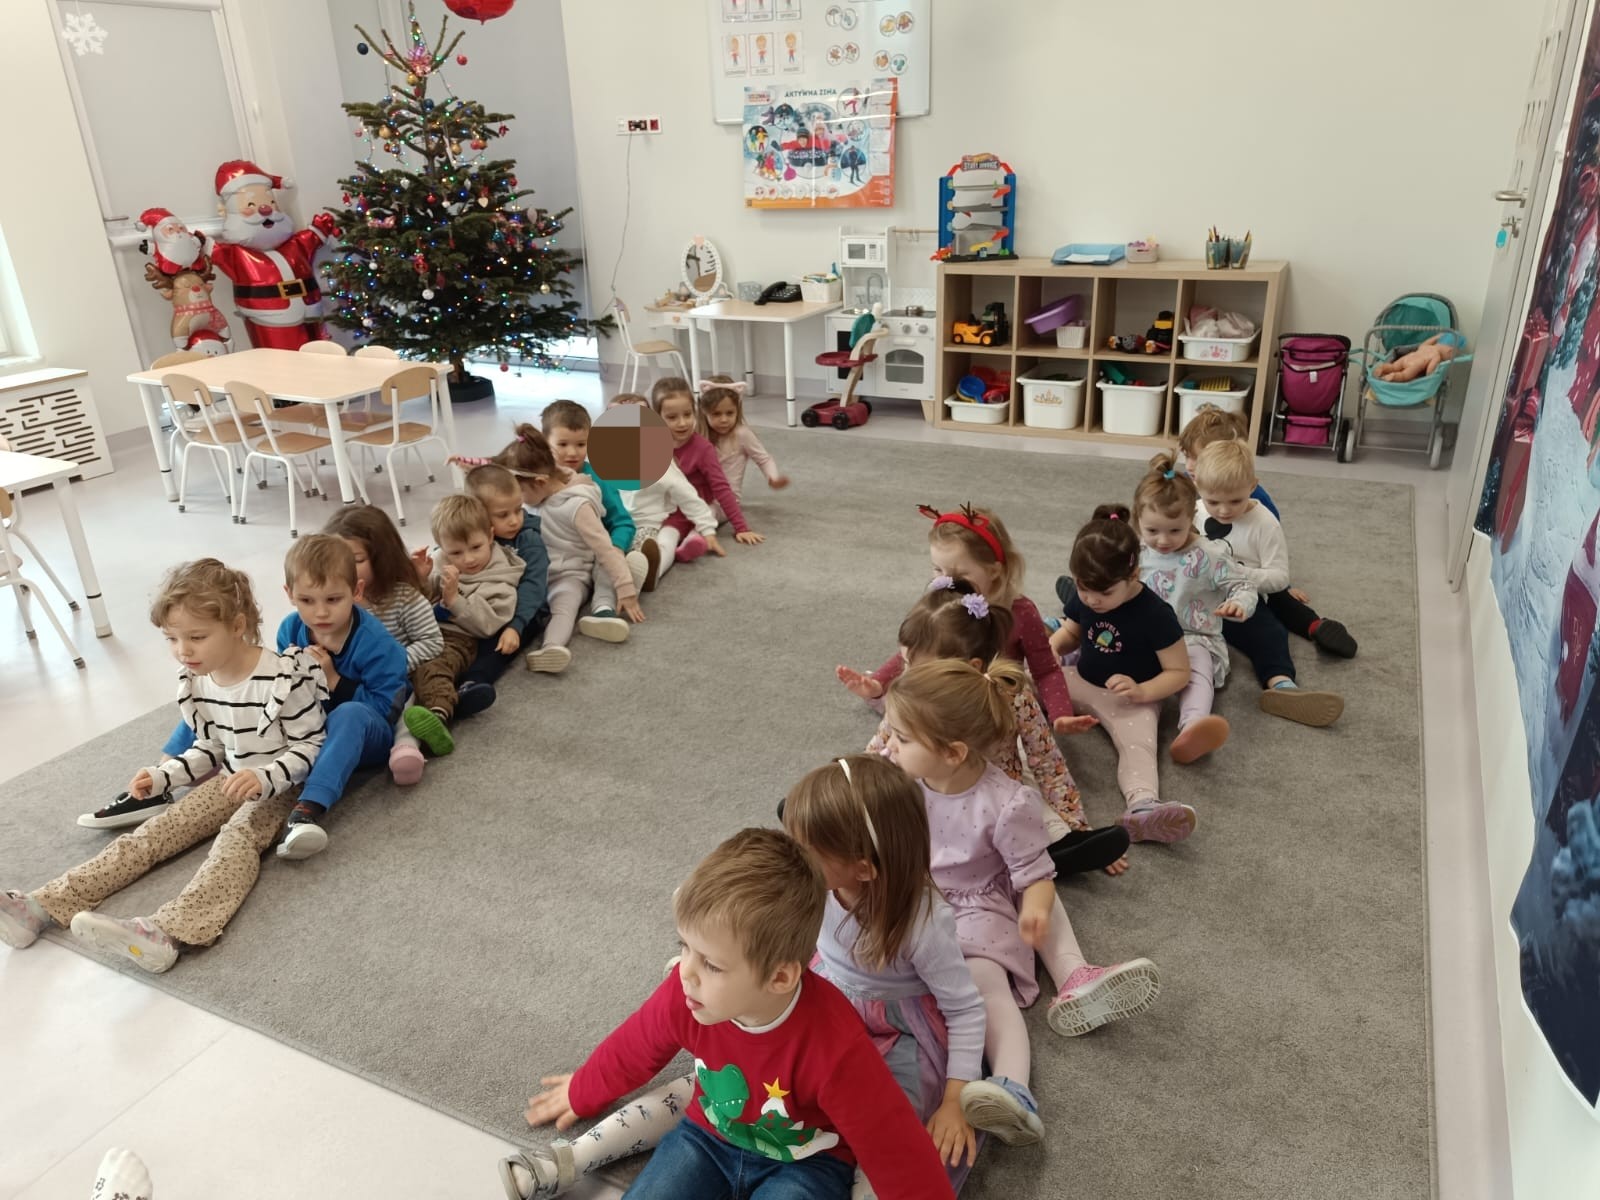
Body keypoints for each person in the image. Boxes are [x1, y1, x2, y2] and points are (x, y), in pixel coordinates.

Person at [502, 756, 989, 1199]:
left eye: (711, 964)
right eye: (684, 948)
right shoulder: (686, 994)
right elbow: (636, 1046)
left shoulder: (836, 1044)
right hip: (706, 1139)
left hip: (808, 1166)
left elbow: (894, 1147)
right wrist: (584, 1089)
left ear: (780, 978)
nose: (685, 973)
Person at [0, 559, 326, 972]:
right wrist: (164, 776)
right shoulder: (199, 680)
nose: (183, 650)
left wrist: (265, 777)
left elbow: (312, 743)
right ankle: (40, 907)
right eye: (172, 638)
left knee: (236, 840)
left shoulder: (282, 677)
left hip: (282, 789)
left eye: (196, 637)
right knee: (155, 832)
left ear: (237, 626)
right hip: (230, 779)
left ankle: (169, 932)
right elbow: (212, 746)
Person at [883, 660, 1161, 1141]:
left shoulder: (1007, 803)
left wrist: (1034, 908)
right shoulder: (902, 777)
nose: (888, 745)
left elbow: (1036, 874)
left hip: (974, 907)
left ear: (952, 752)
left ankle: (1013, 1086)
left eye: (901, 738)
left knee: (982, 985)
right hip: (912, 894)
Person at [861, 576, 1130, 877]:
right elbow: (882, 744)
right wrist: (853, 782)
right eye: (906, 663)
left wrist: (1077, 824)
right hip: (935, 788)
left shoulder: (1011, 693)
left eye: (919, 666)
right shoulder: (912, 695)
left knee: (1035, 814)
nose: (908, 674)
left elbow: (1047, 761)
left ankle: (1062, 850)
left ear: (972, 666)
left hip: (999, 794)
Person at [838, 504, 1089, 734]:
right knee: (904, 707)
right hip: (946, 690)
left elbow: (1045, 670)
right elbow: (914, 650)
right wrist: (877, 683)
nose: (945, 581)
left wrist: (1061, 715)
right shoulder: (942, 601)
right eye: (937, 569)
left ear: (994, 570)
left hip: (993, 699)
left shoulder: (1021, 612)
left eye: (959, 574)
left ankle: (1061, 628)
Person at [1047, 508, 1199, 844]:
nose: (1092, 600)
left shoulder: (1156, 614)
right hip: (1080, 678)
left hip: (1130, 699)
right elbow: (1072, 631)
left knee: (1138, 747)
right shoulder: (1086, 596)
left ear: (1134, 575)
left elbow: (1179, 672)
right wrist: (1054, 647)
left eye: (1104, 593)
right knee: (1023, 680)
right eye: (1083, 588)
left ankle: (1143, 806)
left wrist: (1142, 691)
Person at [1131, 452, 1258, 763]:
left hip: (1193, 637)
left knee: (1197, 671)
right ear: (1138, 521)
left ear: (1192, 518)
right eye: (1152, 531)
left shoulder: (1209, 555)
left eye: (1175, 530)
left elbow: (1244, 585)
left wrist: (1238, 604)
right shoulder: (1134, 551)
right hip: (1143, 638)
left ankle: (1193, 725)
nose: (1163, 540)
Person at [1194, 436, 1358, 670]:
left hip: (1253, 587)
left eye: (1235, 501)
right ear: (1198, 487)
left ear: (1253, 486)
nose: (1223, 510)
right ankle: (1311, 626)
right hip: (1209, 592)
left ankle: (1284, 673)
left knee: (1272, 623)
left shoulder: (1265, 523)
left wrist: (1237, 574)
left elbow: (1279, 577)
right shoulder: (1194, 511)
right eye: (1213, 502)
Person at [490, 425, 644, 674]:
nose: (517, 503)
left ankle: (552, 647)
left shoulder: (577, 506)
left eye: (519, 493)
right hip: (535, 573)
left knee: (564, 606)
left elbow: (605, 549)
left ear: (540, 482)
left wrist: (625, 588)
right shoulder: (536, 492)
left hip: (570, 575)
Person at [323, 504, 448, 784]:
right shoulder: (331, 602)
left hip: (393, 681)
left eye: (355, 560)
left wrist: (393, 663)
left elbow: (431, 641)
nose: (344, 569)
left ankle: (406, 747)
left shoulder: (404, 598)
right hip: (346, 684)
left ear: (381, 558)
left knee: (408, 703)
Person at [410, 493, 524, 725]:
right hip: (418, 629)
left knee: (432, 667)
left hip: (457, 638)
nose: (469, 559)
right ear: (442, 547)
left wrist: (455, 600)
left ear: (490, 536)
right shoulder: (439, 561)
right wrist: (420, 579)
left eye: (475, 547)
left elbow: (488, 625)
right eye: (456, 553)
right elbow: (415, 603)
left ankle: (438, 712)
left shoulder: (501, 575)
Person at [609, 392, 724, 589]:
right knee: (598, 550)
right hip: (614, 524)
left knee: (661, 545)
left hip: (647, 525)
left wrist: (707, 529)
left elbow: (686, 495)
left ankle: (651, 573)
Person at [539, 398, 650, 590]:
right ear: (545, 442)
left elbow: (623, 522)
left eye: (581, 444)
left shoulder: (599, 479)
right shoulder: (538, 478)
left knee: (606, 575)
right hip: (550, 556)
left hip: (589, 557)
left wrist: (616, 548)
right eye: (562, 444)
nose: (572, 453)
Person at [650, 377, 765, 555]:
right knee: (663, 540)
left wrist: (741, 528)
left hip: (699, 508)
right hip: (668, 510)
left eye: (687, 414)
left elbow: (721, 488)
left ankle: (695, 540)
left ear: (695, 413)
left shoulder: (703, 448)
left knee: (703, 521)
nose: (682, 423)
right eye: (672, 417)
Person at [696, 376, 789, 519]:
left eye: (729, 413)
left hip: (725, 503)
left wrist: (773, 478)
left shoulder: (742, 434)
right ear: (704, 412)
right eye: (716, 414)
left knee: (703, 515)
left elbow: (764, 459)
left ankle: (693, 531)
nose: (724, 419)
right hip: (697, 494)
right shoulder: (698, 434)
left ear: (737, 410)